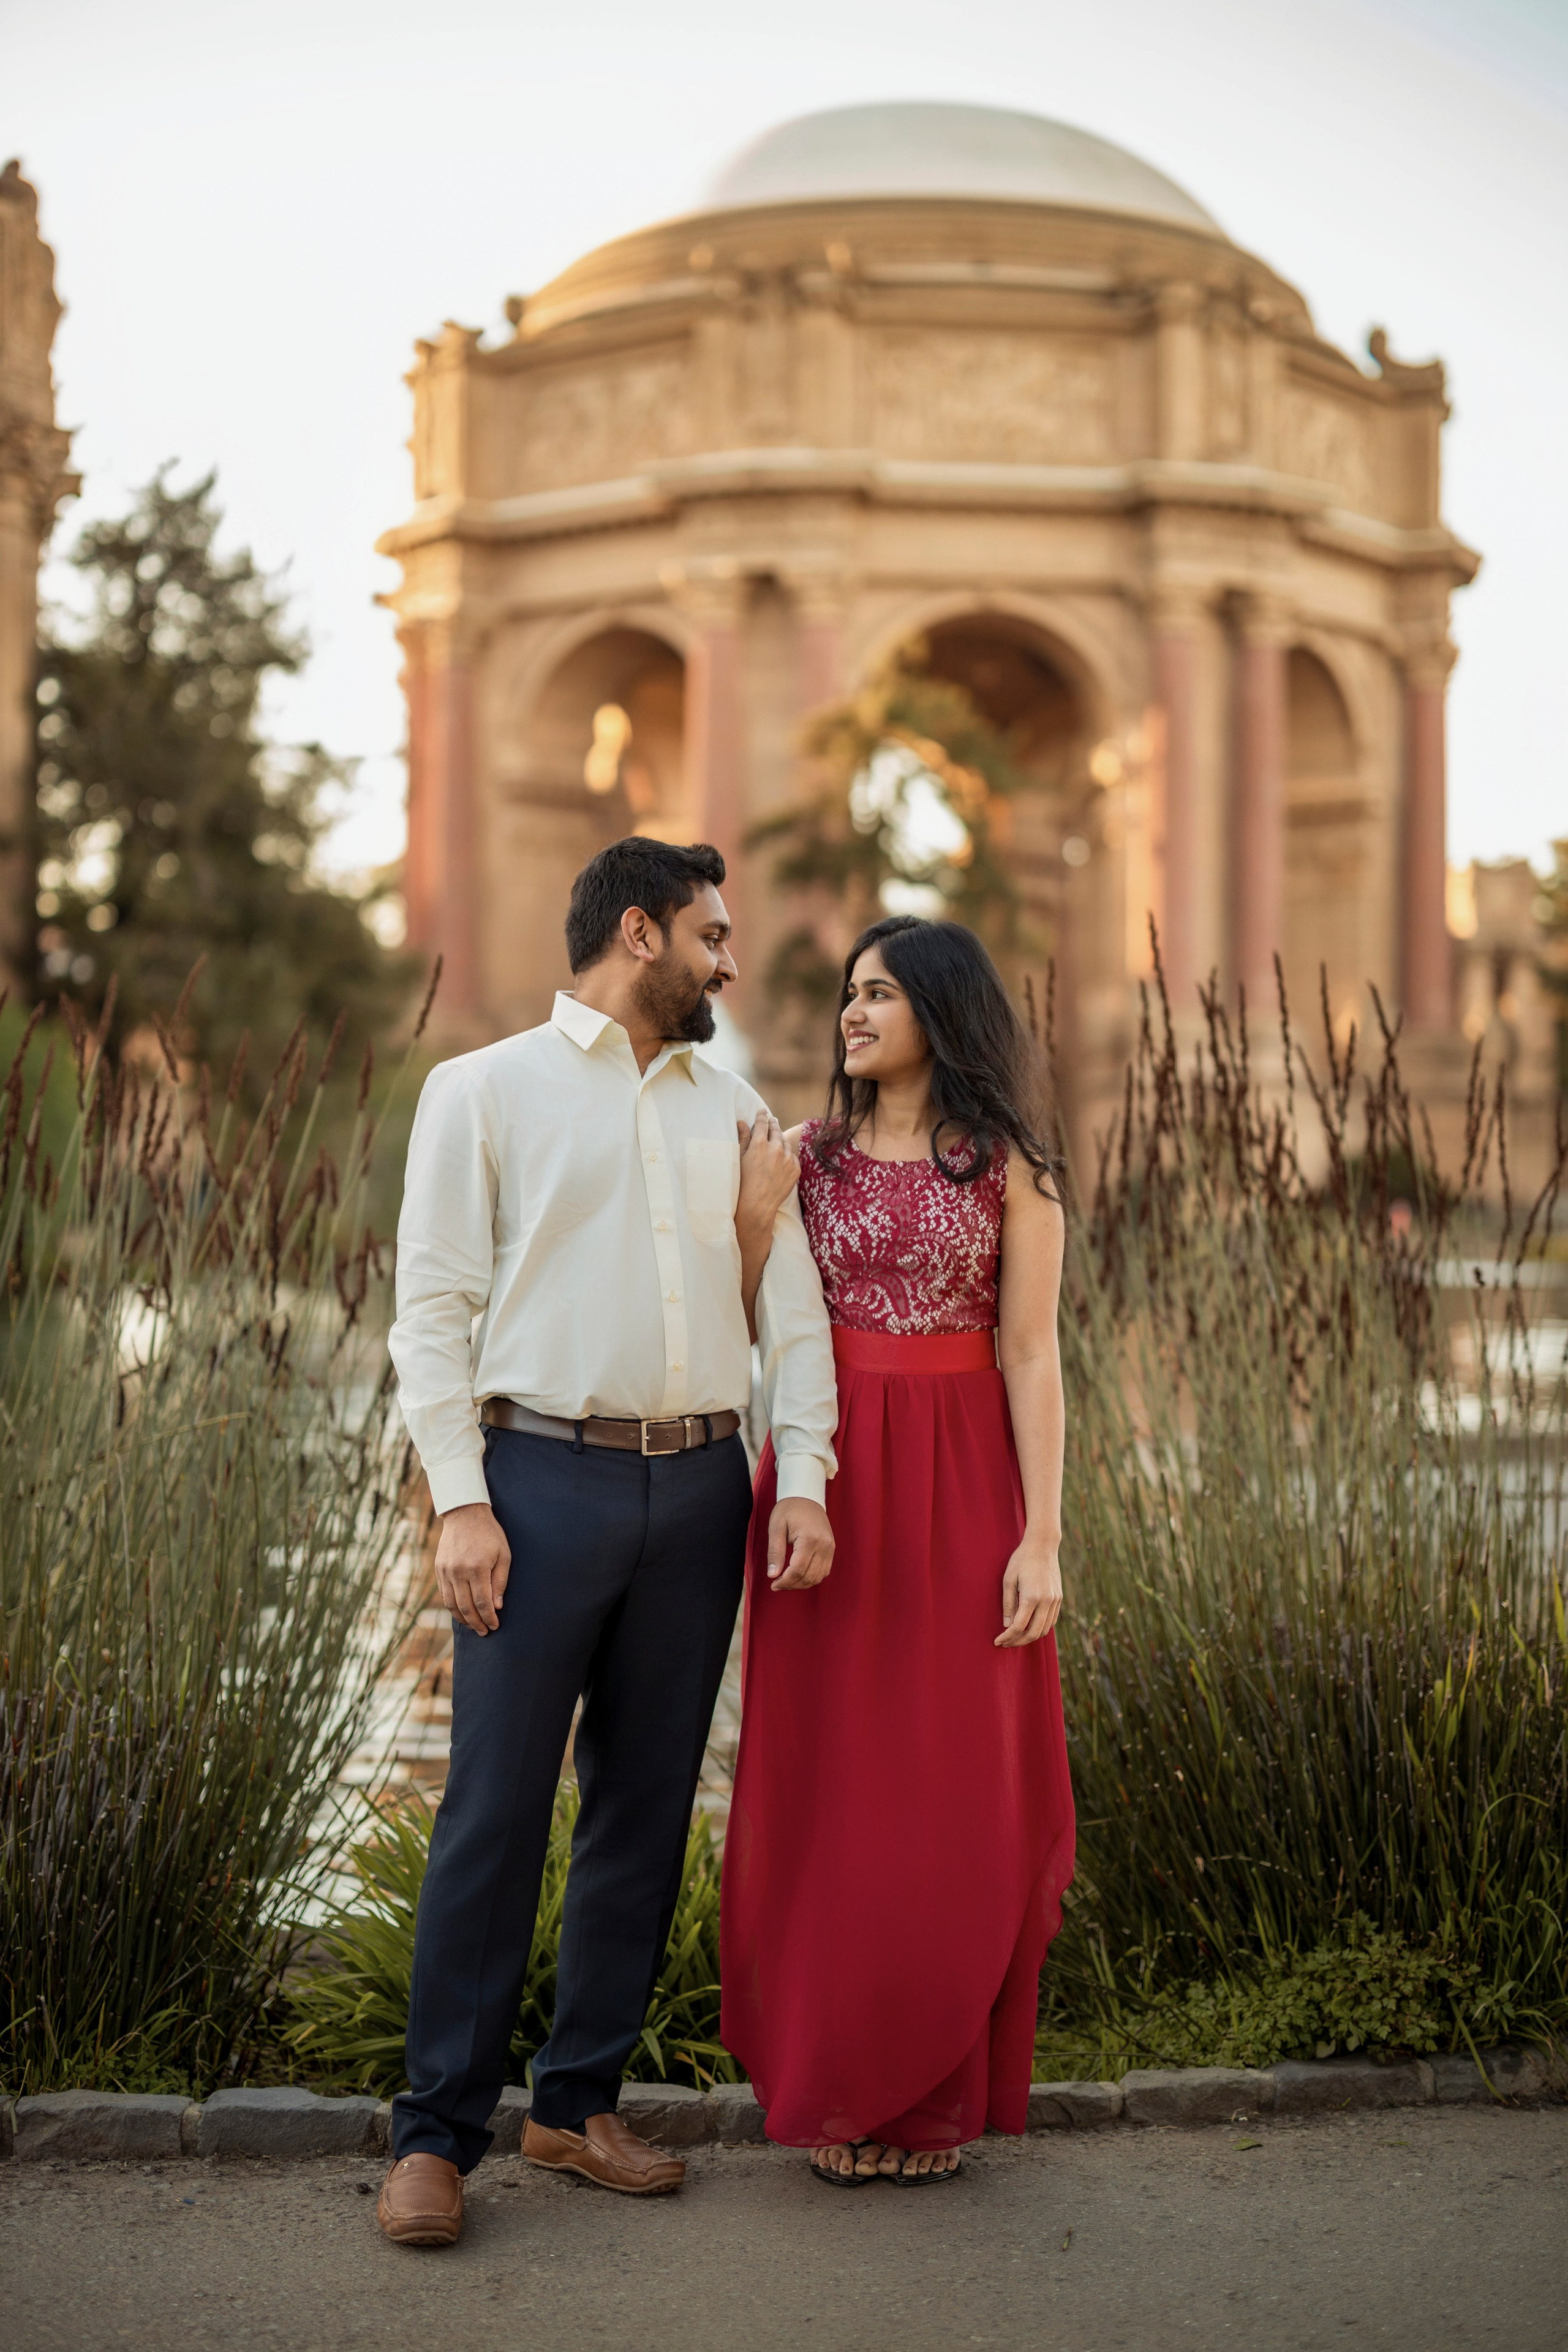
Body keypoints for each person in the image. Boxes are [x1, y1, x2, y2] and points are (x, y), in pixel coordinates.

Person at [378, 838, 837, 2247]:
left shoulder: (736, 1109)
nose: (729, 961)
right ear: (638, 933)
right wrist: (460, 1496)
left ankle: (575, 2107)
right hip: (536, 1485)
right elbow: (434, 1311)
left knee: (642, 1810)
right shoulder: (481, 1090)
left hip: (700, 1491)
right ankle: (433, 2139)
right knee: (496, 1811)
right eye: (710, 935)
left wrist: (801, 1472)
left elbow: (795, 1316)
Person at [720, 914, 1076, 2185]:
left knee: (951, 1785)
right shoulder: (803, 1157)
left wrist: (1039, 1535)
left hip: (964, 1475)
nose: (852, 1014)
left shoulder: (1005, 1168)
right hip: (823, 1481)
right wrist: (757, 1220)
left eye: (879, 993)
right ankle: (832, 2084)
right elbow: (746, 1312)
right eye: (846, 995)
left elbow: (1030, 1355)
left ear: (941, 1009)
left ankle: (927, 2099)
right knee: (830, 1789)